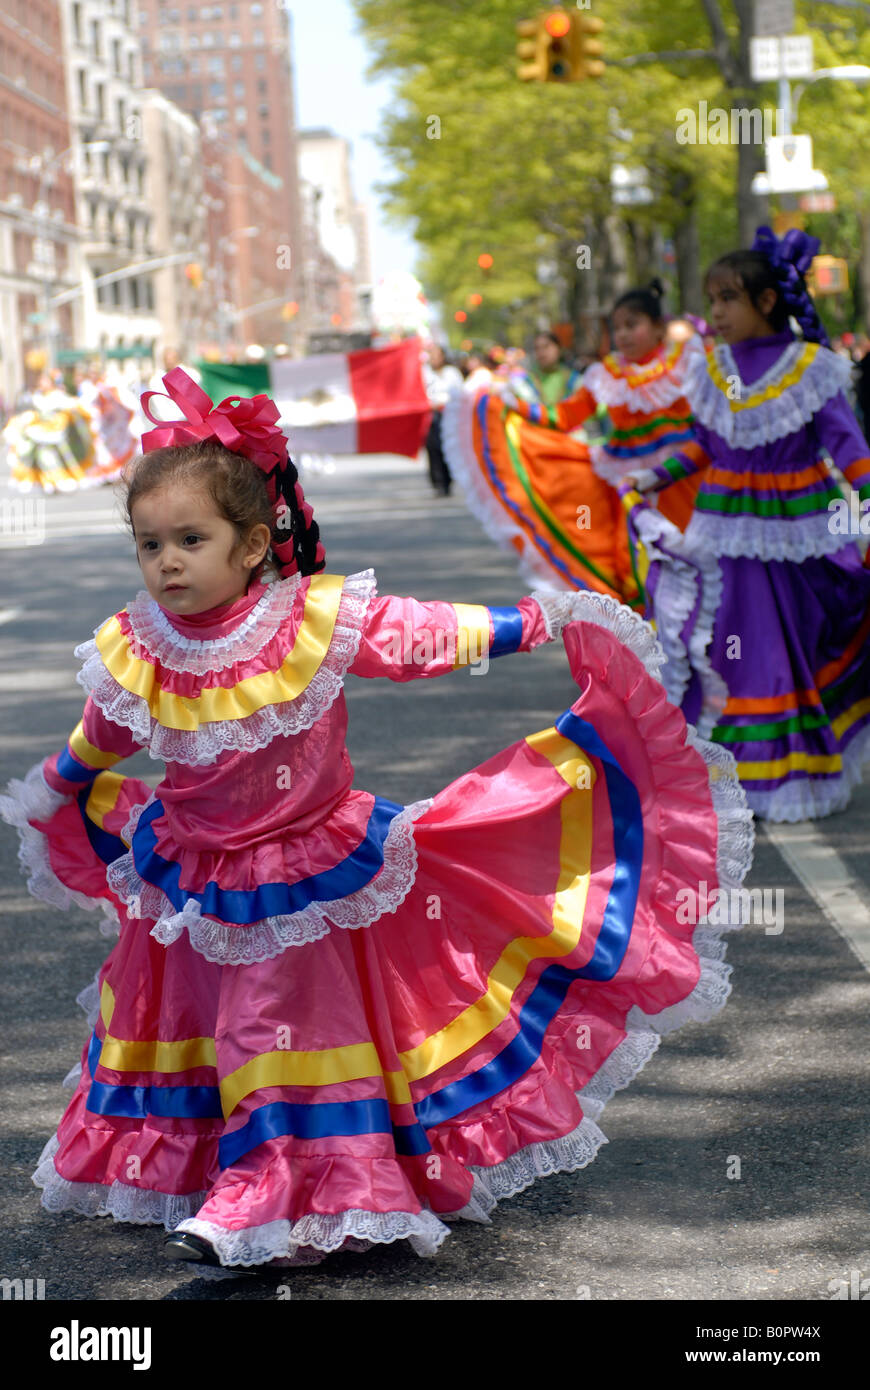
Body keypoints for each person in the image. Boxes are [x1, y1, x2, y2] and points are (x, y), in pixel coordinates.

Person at [0, 368, 752, 1270]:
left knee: (261, 1030)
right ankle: (285, 1192)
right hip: (196, 872)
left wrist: (535, 619)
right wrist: (59, 779)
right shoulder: (144, 644)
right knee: (218, 1030)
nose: (165, 562)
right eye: (149, 543)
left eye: (189, 540)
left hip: (305, 873)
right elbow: (111, 728)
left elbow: (419, 635)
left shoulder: (310, 619)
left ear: (250, 545)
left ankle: (266, 1199)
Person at [624, 228, 870, 821]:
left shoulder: (813, 367)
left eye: (727, 299)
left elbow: (848, 448)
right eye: (711, 301)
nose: (716, 313)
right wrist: (653, 478)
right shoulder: (714, 369)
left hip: (800, 536)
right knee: (737, 647)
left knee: (799, 640)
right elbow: (705, 445)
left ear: (766, 301)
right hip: (726, 536)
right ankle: (743, 773)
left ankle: (789, 770)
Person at [422, 342, 462, 496]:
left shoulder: (452, 373)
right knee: (433, 448)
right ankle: (438, 482)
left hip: (449, 415)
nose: (433, 359)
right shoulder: (425, 373)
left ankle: (448, 480)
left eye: (436, 356)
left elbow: (459, 393)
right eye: (431, 356)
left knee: (447, 447)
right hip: (432, 415)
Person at [510, 331, 583, 409]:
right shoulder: (527, 382)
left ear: (559, 349)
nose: (541, 352)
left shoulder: (575, 379)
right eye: (537, 348)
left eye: (546, 346)